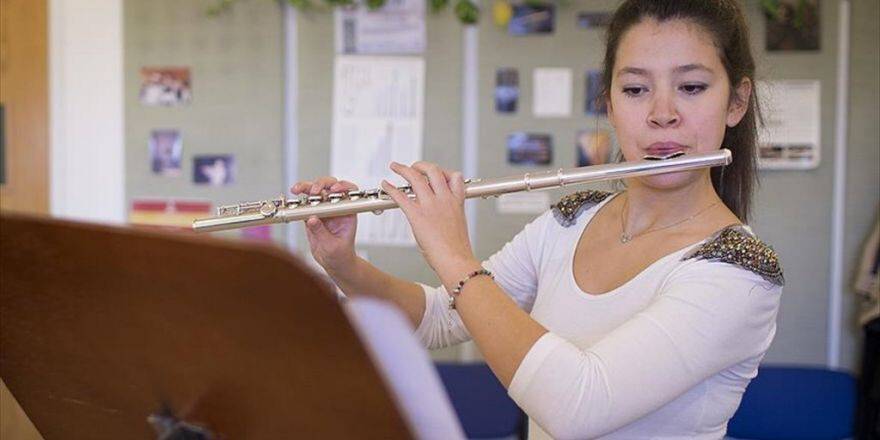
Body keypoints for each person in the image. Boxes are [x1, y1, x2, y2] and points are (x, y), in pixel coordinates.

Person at [291, 0, 783, 437]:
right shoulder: (571, 221)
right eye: (635, 89)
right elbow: (442, 318)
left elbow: (578, 407)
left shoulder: (739, 271)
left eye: (692, 86)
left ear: (735, 102)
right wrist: (343, 263)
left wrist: (451, 252)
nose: (661, 113)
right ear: (608, 103)